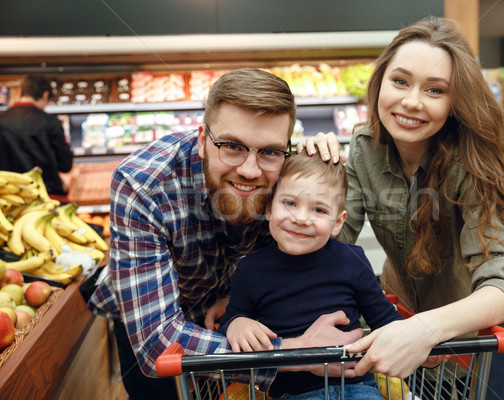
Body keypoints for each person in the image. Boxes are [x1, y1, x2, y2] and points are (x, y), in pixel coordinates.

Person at [86, 68, 362, 400]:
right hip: (155, 311)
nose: (249, 170)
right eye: (231, 146)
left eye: (270, 151)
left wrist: (321, 174)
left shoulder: (287, 176)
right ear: (202, 140)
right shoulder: (144, 185)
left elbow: (324, 263)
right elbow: (157, 345)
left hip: (241, 312)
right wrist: (295, 351)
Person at [331, 16, 504, 400]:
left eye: (435, 90)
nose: (411, 101)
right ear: (380, 83)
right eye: (400, 81)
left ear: (456, 101)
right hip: (396, 327)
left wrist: (425, 331)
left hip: (470, 347)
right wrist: (314, 173)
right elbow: (329, 246)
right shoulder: (365, 147)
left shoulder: (475, 163)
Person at [218, 149, 402, 400]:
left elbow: (383, 318)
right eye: (290, 203)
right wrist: (237, 323)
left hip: (357, 385)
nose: (302, 218)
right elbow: (232, 320)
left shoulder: (352, 260)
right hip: (293, 392)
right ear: (269, 209)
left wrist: (424, 337)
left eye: (319, 210)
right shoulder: (251, 270)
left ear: (338, 222)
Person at [0, 74, 73, 195]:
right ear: (45, 95)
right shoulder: (51, 123)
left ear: (20, 93)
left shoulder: (2, 122)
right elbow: (65, 165)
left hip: (9, 196)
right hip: (46, 194)